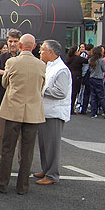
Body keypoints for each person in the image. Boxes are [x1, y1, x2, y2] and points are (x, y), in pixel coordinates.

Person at [0, 34, 46, 195]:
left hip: (13, 109)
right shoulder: (41, 65)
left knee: (8, 149)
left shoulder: (12, 62)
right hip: (33, 112)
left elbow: (4, 82)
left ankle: (2, 183)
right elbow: (42, 85)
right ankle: (23, 186)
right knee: (27, 151)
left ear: (20, 46)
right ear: (34, 47)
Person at [34, 40, 71, 185]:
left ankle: (52, 174)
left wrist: (41, 89)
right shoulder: (49, 66)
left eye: (42, 49)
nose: (40, 52)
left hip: (55, 113)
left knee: (52, 145)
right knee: (44, 144)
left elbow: (61, 92)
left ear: (51, 52)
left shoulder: (61, 69)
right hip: (45, 111)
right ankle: (46, 169)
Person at [0, 29, 21, 172]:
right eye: (10, 41)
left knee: (21, 136)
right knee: (2, 133)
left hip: (20, 101)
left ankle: (22, 163)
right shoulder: (1, 58)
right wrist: (6, 74)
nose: (12, 44)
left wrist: (6, 73)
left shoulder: (25, 58)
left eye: (15, 41)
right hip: (3, 100)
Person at [88, 46, 105, 120]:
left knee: (93, 97)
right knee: (102, 97)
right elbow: (104, 69)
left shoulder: (90, 60)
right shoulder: (101, 60)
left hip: (92, 78)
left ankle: (93, 113)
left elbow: (90, 70)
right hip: (99, 79)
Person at [65, 46, 88, 114]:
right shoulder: (78, 58)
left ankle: (69, 108)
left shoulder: (69, 58)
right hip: (77, 77)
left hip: (70, 76)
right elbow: (86, 61)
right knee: (74, 93)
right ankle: (72, 109)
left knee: (70, 92)